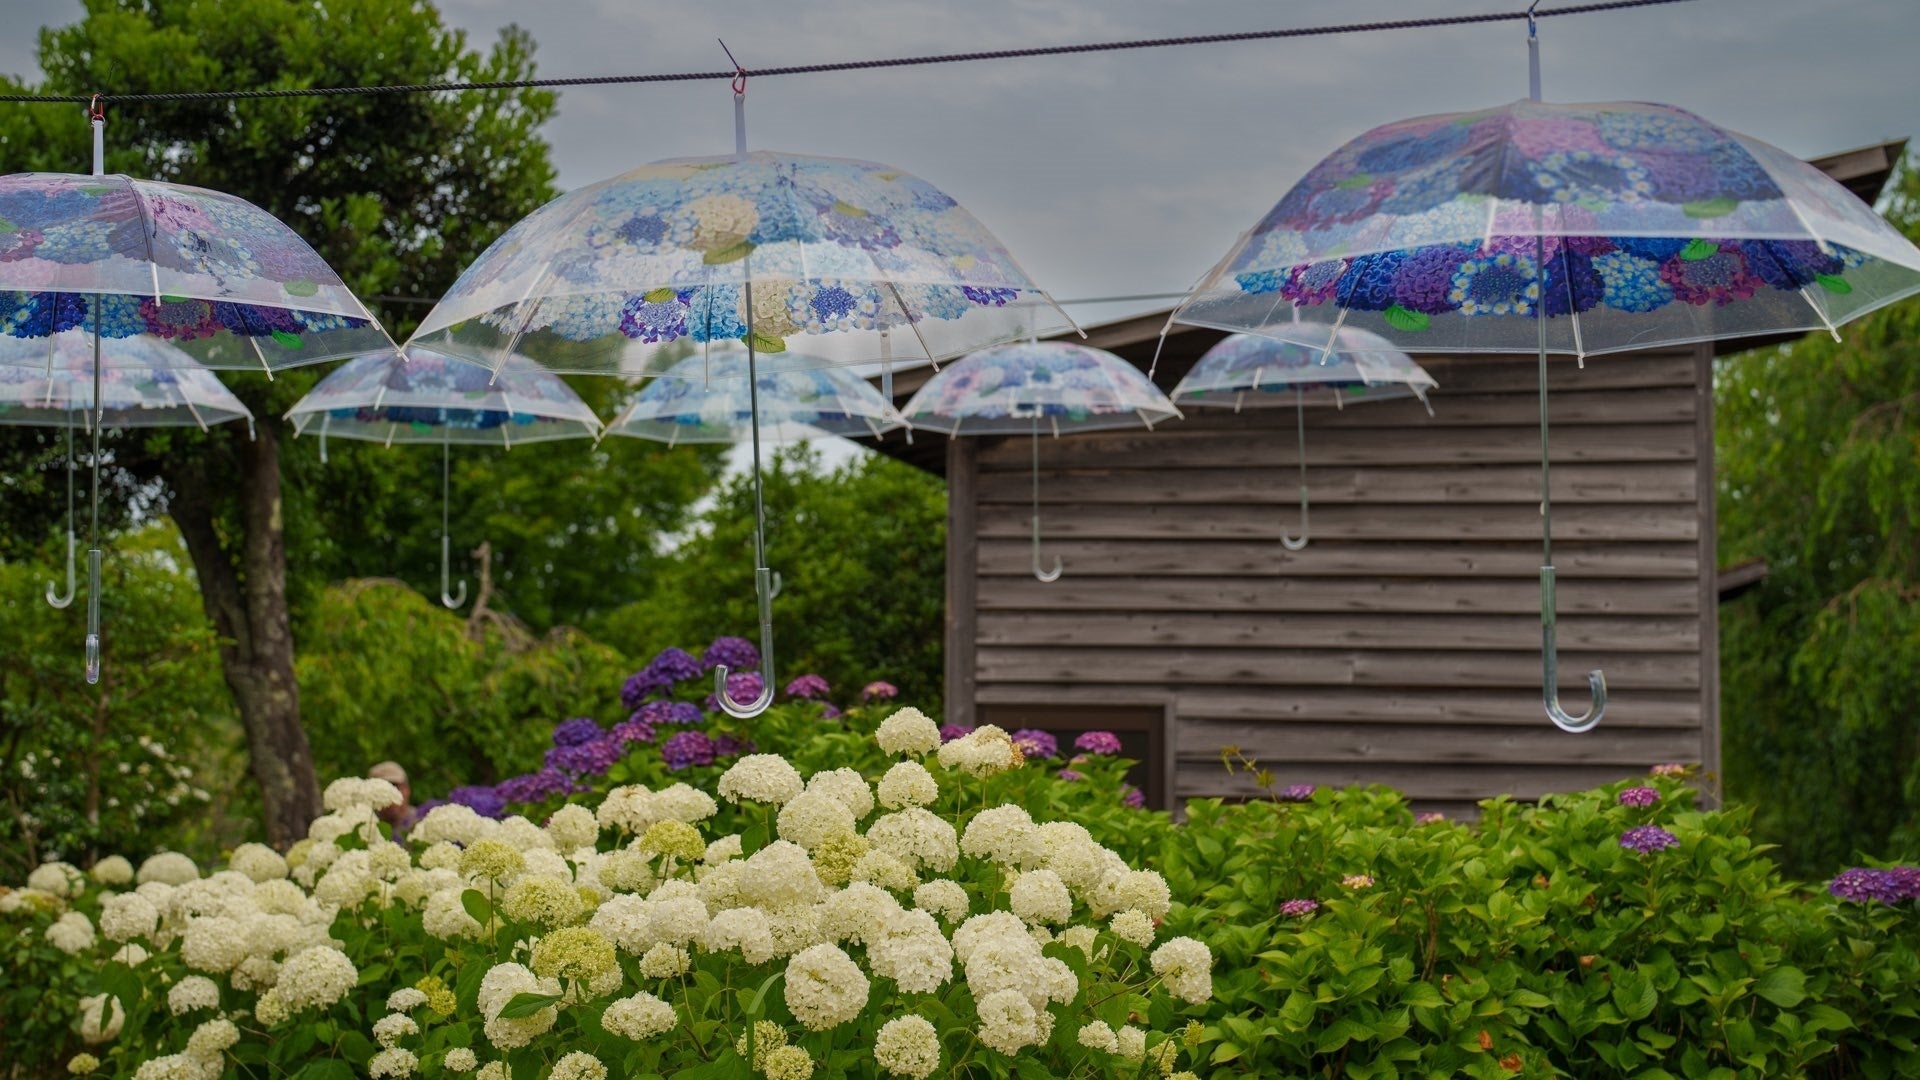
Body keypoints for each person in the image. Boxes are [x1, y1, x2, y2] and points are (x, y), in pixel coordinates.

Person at [368, 761, 413, 830]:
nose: (390, 795)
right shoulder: (368, 827)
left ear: (407, 789)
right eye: (382, 790)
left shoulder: (421, 820)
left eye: (395, 786)